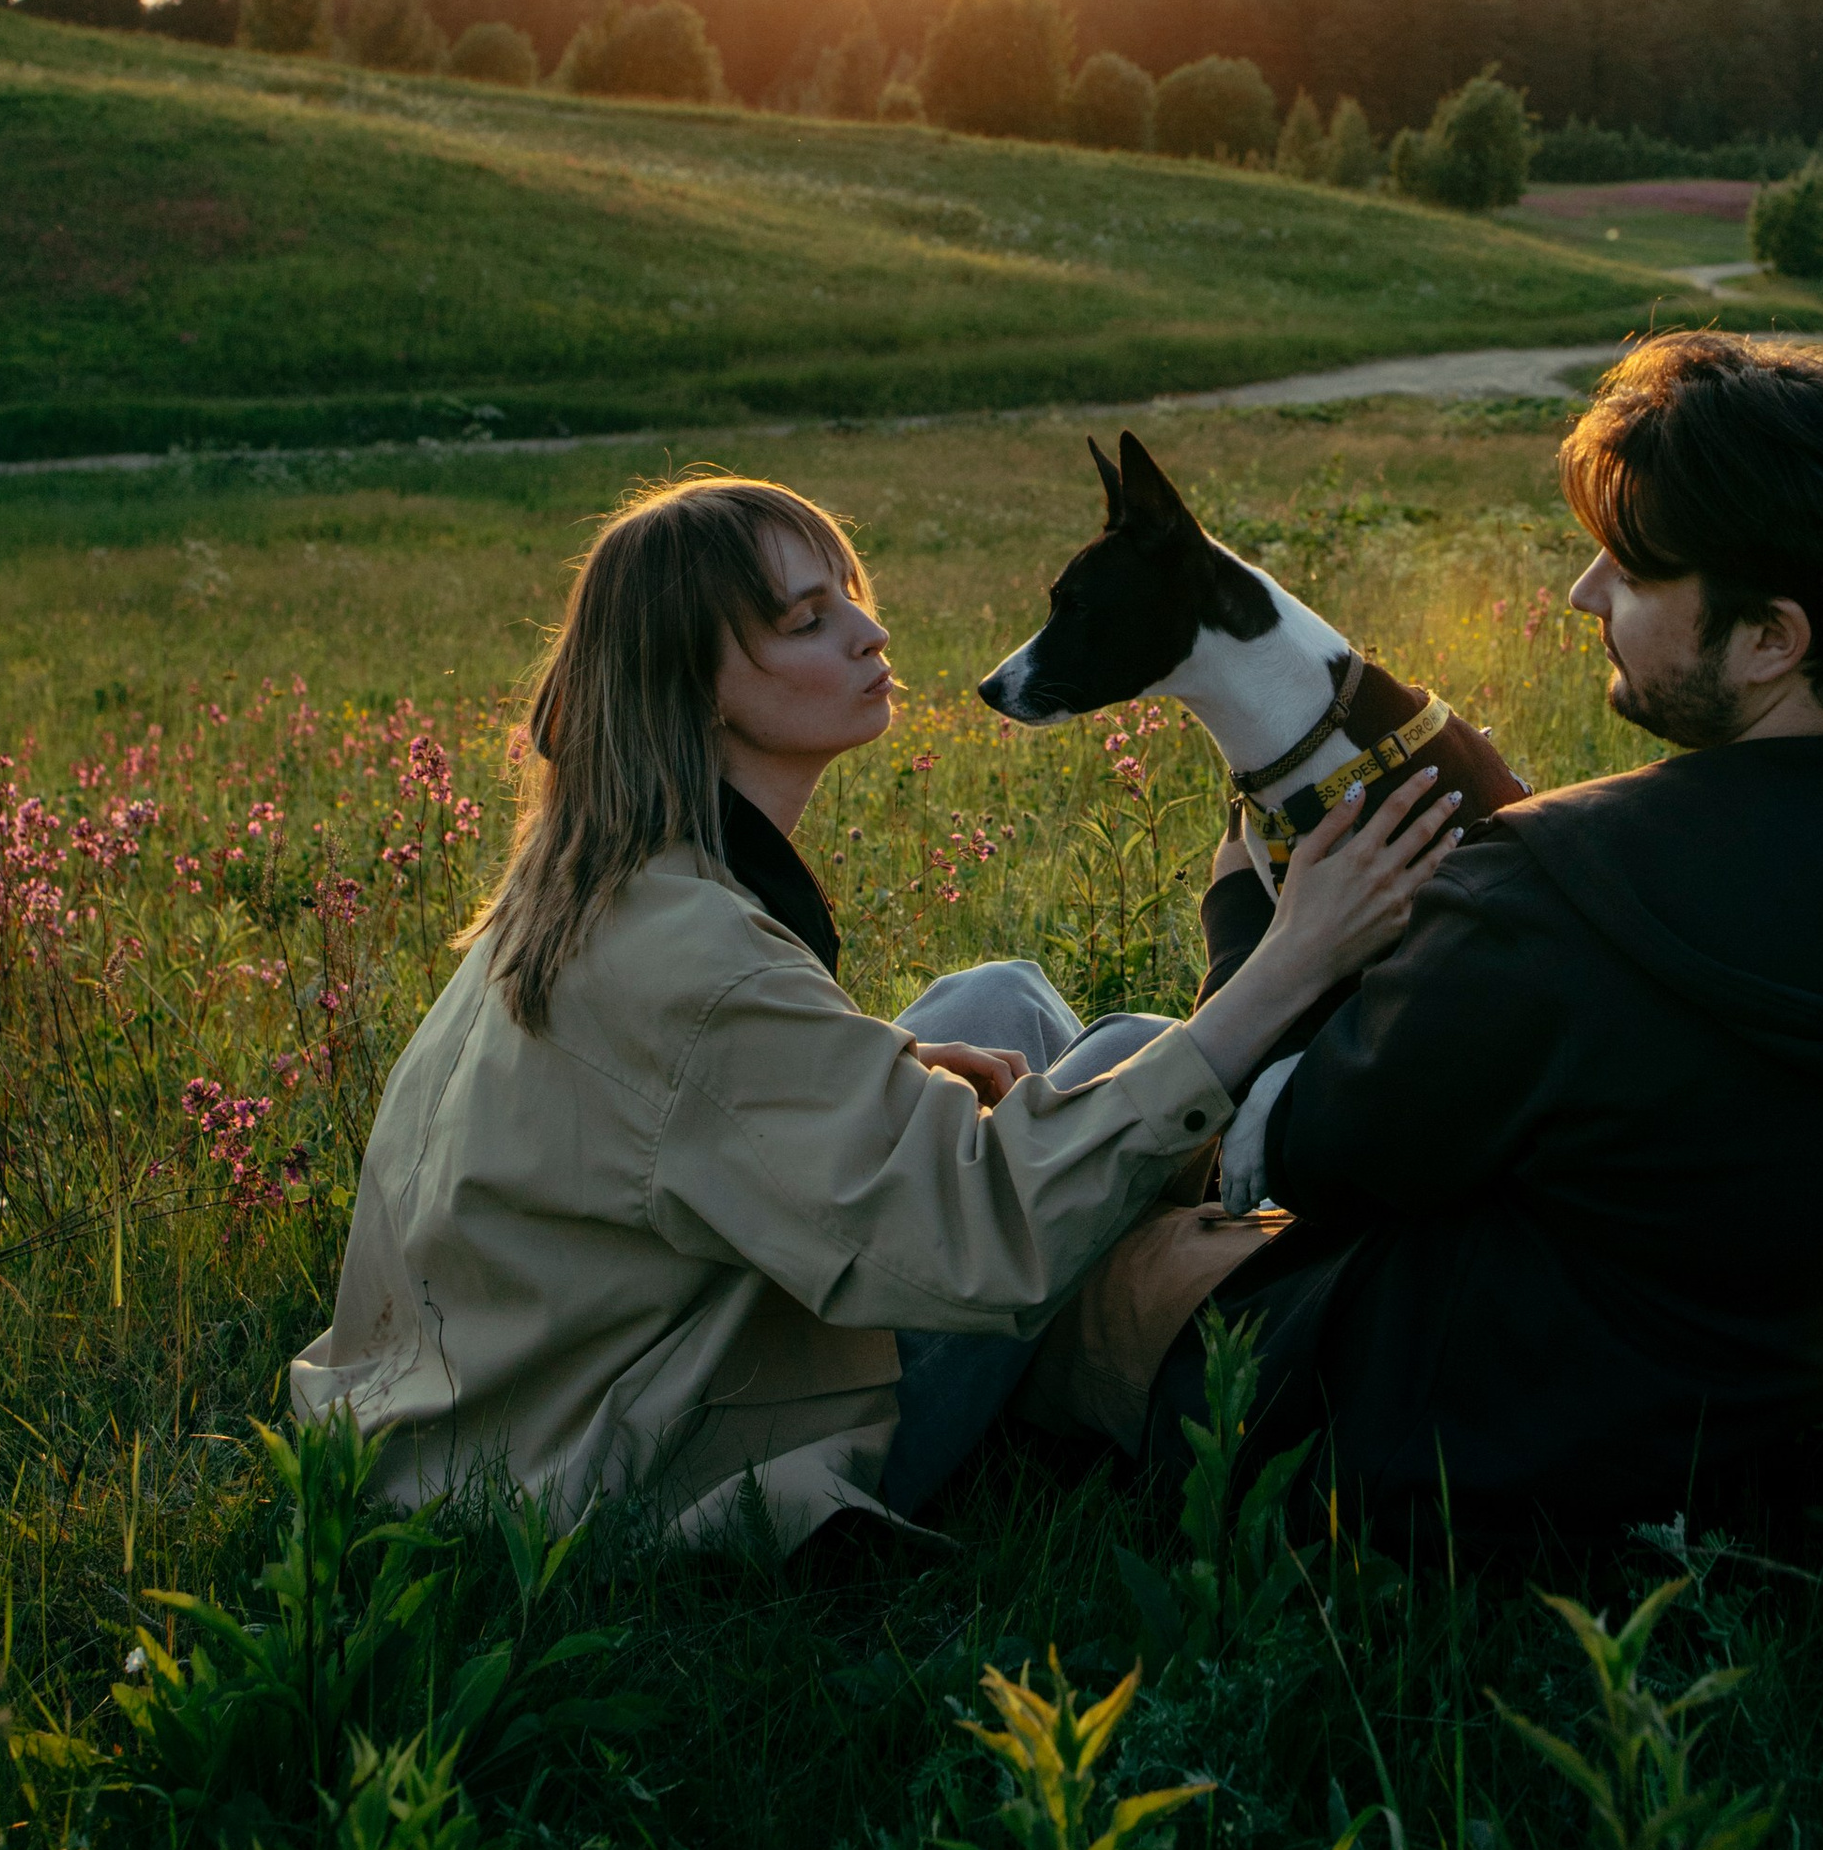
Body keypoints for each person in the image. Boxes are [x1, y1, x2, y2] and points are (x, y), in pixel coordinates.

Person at [288, 472, 1456, 1546]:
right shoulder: (696, 964)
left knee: (999, 1001)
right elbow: (979, 1239)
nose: (870, 632)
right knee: (1141, 1059)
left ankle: (1174, 1230)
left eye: (849, 594)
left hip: (505, 1407)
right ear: (695, 687)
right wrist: (1288, 963)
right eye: (807, 621)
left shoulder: (601, 879)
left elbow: (672, 1119)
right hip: (636, 1460)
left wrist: (895, 1069)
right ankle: (1275, 1290)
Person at [1163, 331, 1823, 1536]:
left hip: (1507, 1462)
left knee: (1086, 1234)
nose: (1582, 595)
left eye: (1632, 569)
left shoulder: (1558, 896)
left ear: (1772, 637)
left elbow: (1299, 1155)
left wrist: (1257, 916)